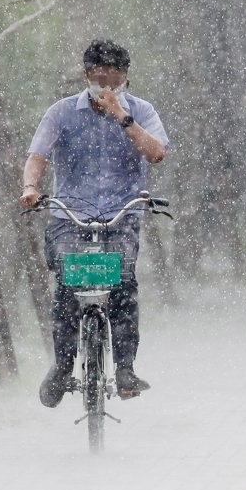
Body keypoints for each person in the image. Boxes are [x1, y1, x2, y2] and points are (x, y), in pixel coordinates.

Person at [19, 39, 169, 407]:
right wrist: (30, 186)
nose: (104, 85)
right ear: (85, 75)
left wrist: (122, 117)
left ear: (124, 79)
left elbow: (156, 153)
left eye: (112, 78)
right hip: (70, 215)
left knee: (122, 284)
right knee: (69, 284)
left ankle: (125, 369)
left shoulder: (141, 111)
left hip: (121, 216)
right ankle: (62, 366)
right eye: (97, 76)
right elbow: (38, 155)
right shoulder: (61, 112)